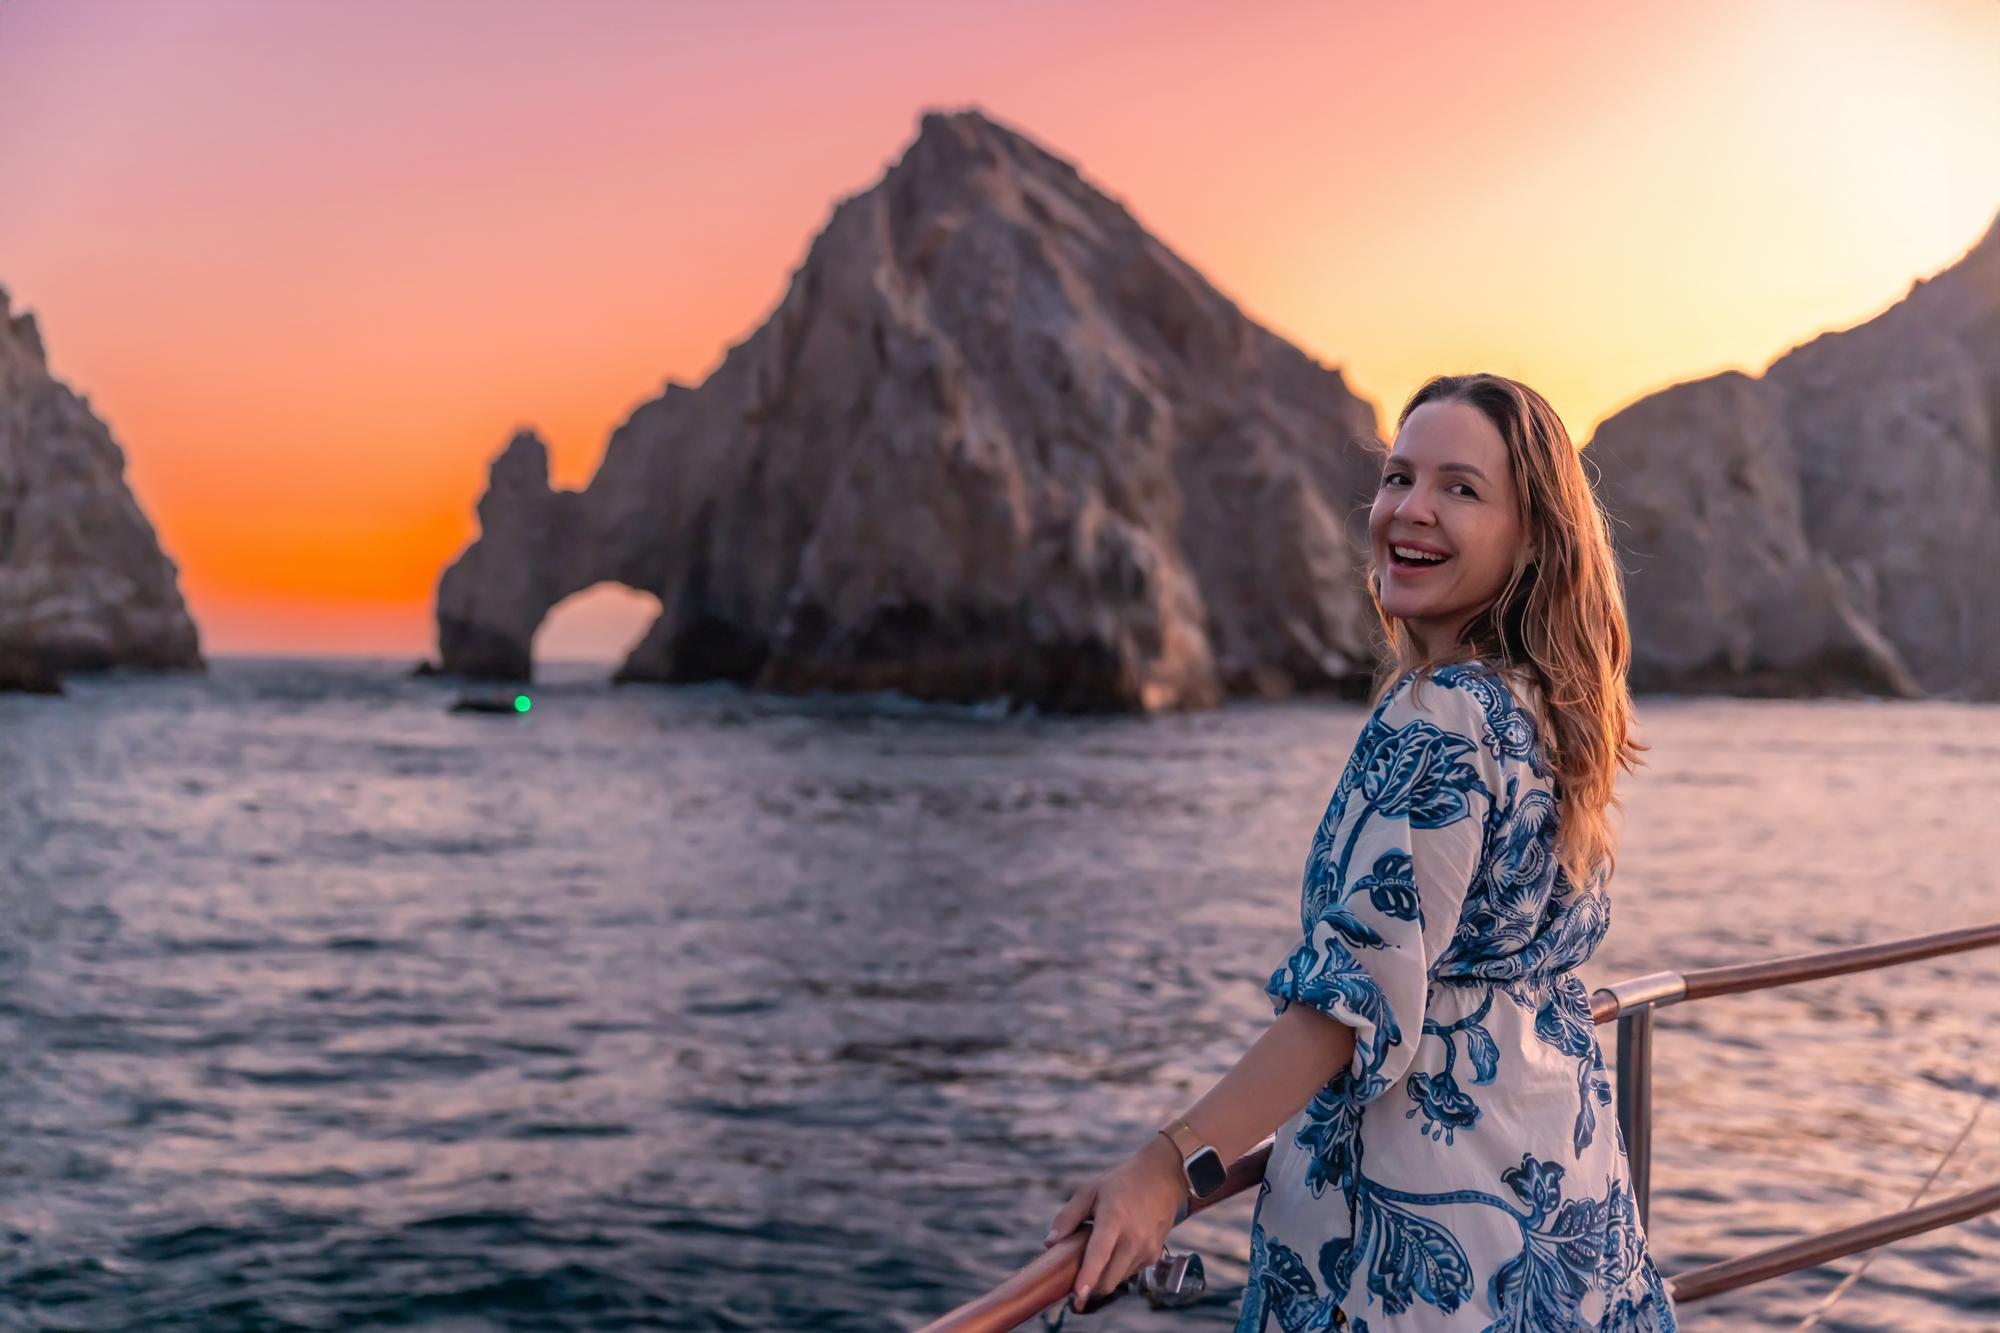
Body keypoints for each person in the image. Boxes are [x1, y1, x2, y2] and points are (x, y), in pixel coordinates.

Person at [1042, 373, 1680, 1330]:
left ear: (1531, 538)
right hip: (1559, 1209)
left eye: (1461, 488)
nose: (1409, 510)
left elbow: (1350, 1002)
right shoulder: (1547, 712)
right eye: (1398, 476)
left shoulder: (1439, 719)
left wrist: (1164, 1167)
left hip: (1421, 1247)